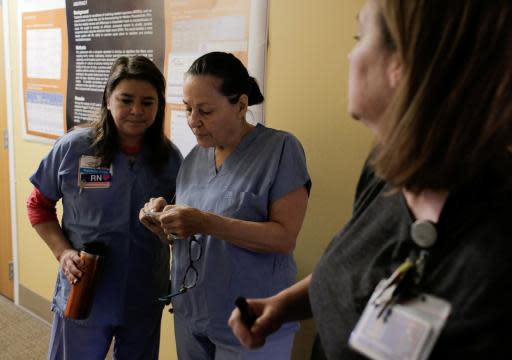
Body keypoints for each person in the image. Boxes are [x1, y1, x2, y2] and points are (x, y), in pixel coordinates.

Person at [228, 0, 512, 359]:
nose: (350, 55)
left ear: (402, 63)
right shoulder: (391, 168)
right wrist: (284, 306)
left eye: (360, 36)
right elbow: (364, 272)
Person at [140, 51, 311, 359]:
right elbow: (188, 237)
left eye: (205, 110)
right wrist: (164, 220)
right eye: (188, 108)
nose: (193, 121)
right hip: (192, 314)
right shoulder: (194, 158)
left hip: (251, 319)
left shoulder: (280, 150)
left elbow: (285, 237)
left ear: (241, 105)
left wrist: (204, 221)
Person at [27, 56, 183, 359]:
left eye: (147, 102)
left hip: (144, 291)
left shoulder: (169, 159)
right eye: (126, 100)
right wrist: (63, 252)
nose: (136, 110)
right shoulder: (74, 148)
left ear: (159, 105)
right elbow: (38, 206)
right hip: (85, 290)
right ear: (108, 100)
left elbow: (182, 228)